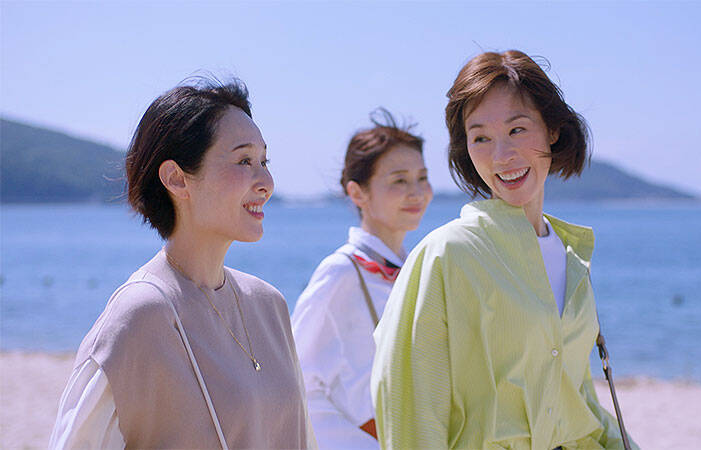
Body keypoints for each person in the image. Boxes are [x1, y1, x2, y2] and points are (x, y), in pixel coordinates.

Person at [371, 50, 638, 450]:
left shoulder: (571, 256)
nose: (501, 156)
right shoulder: (446, 255)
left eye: (517, 130)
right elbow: (412, 410)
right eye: (481, 138)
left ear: (552, 130)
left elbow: (578, 401)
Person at [49, 79, 316, 449]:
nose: (266, 182)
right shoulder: (140, 314)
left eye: (264, 162)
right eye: (244, 161)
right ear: (176, 179)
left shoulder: (269, 304)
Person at [291, 109, 433, 449]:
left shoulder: (418, 271)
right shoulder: (342, 272)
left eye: (422, 177)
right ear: (358, 193)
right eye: (399, 180)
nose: (416, 192)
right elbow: (296, 379)